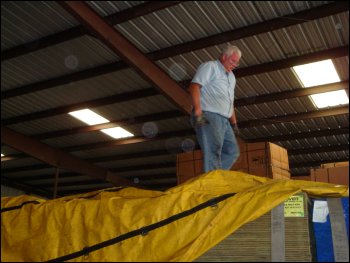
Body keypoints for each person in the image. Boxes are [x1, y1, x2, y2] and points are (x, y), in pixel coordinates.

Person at [189, 44, 241, 173]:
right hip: (209, 115)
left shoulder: (232, 77)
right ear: (224, 56)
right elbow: (194, 86)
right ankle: (212, 185)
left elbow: (230, 101)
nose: (235, 64)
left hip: (225, 120)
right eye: (233, 61)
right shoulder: (210, 67)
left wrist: (234, 124)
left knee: (232, 151)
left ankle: (213, 178)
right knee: (213, 151)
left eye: (237, 63)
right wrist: (198, 112)